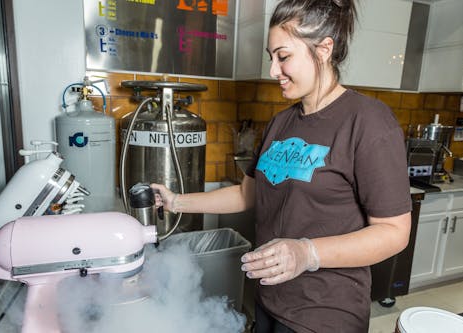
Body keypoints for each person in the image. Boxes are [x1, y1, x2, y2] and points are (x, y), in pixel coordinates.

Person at [152, 0, 412, 331]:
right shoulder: (281, 123)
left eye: (283, 56)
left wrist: (308, 253)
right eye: (270, 57)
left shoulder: (368, 121)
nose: (274, 70)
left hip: (325, 313)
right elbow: (248, 194)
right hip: (269, 300)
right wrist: (176, 201)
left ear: (323, 50)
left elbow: (394, 232)